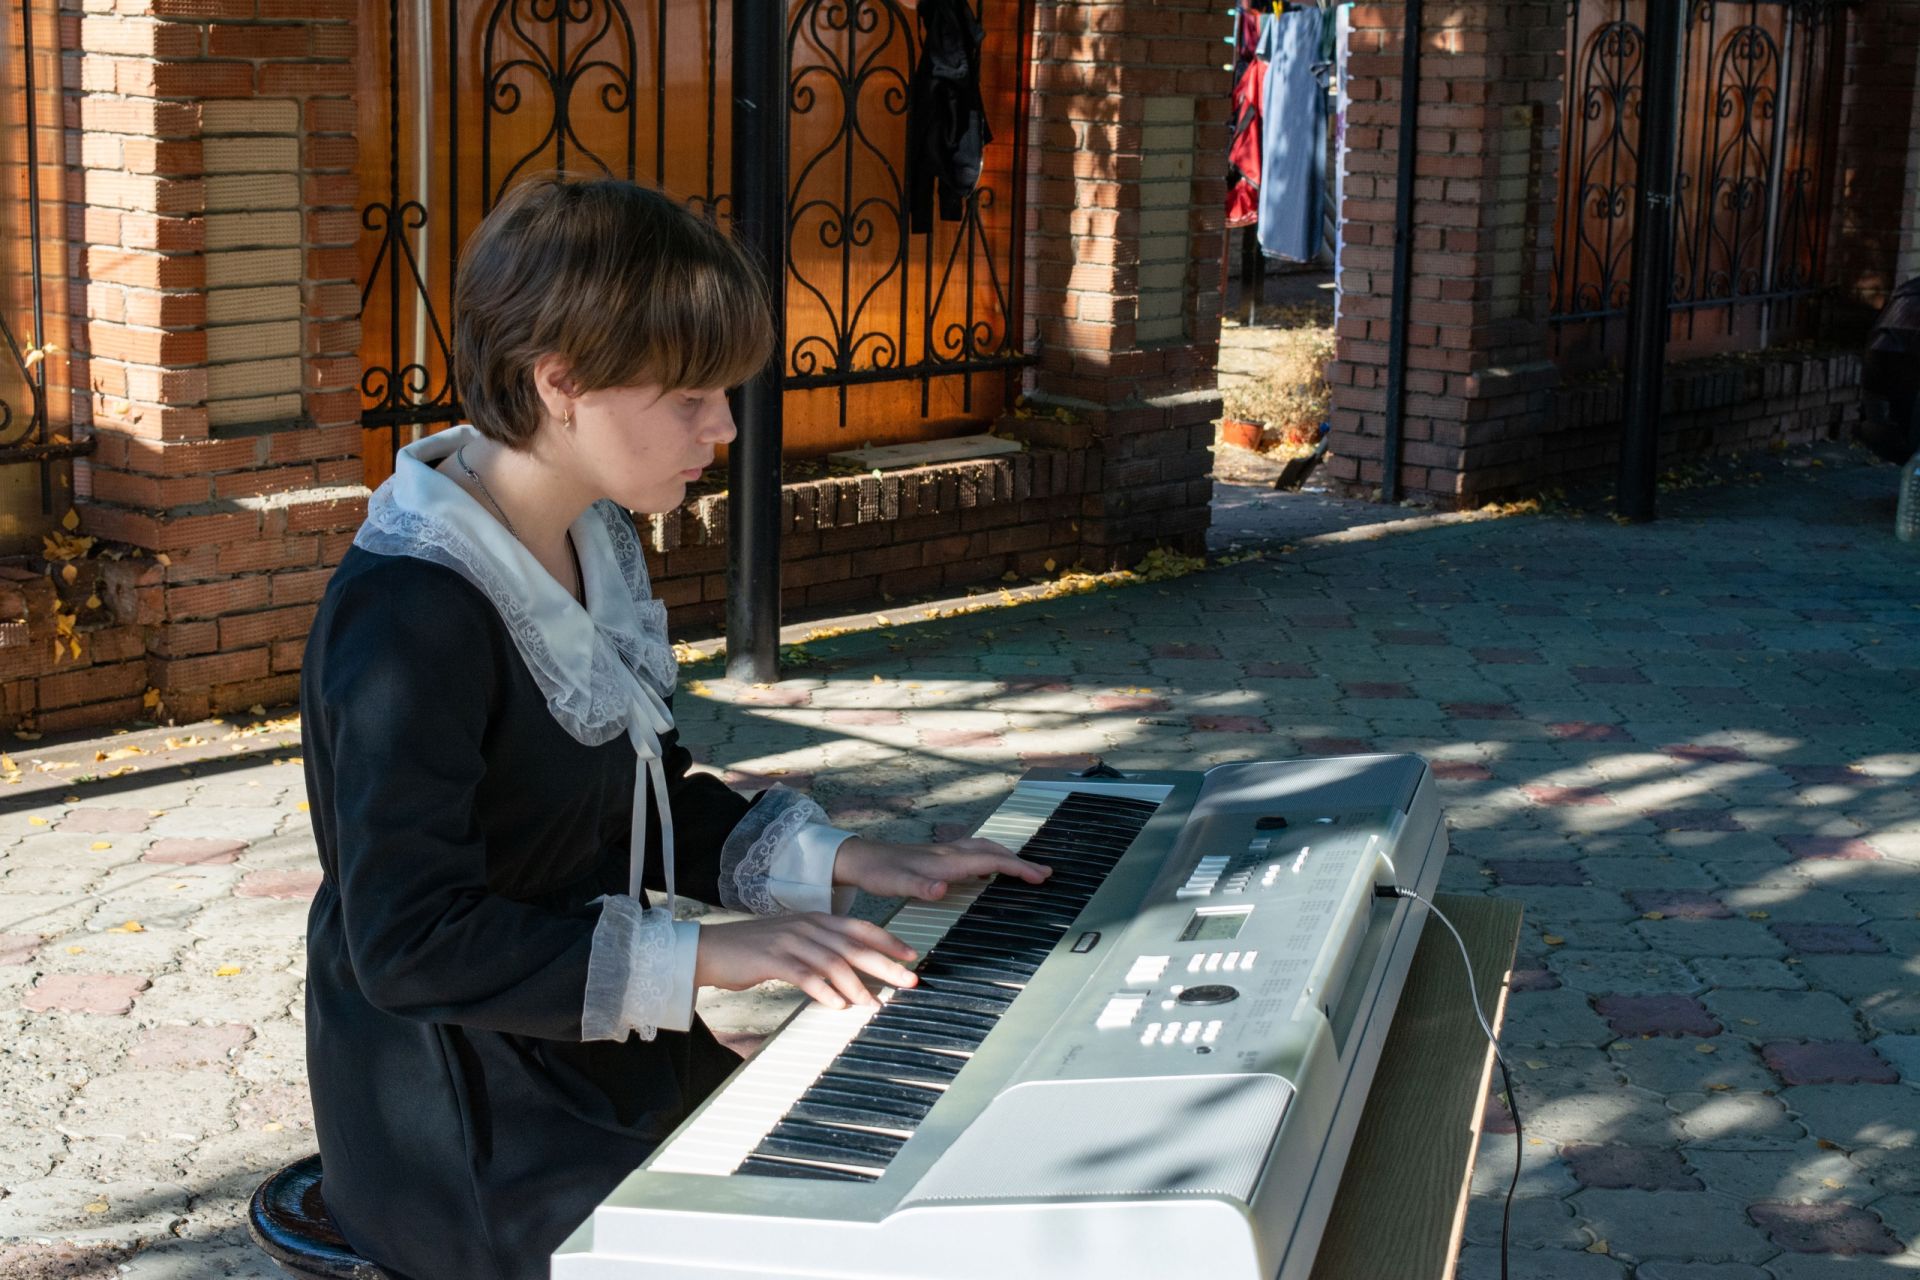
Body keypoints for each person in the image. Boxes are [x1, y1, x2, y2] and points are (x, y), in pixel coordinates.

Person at [298, 176, 1049, 1280]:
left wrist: (850, 857)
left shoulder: (589, 530)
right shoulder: (413, 608)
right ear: (560, 382)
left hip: (593, 1042)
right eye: (691, 395)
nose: (726, 426)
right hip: (458, 1111)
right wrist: (709, 951)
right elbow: (409, 943)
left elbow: (631, 795)